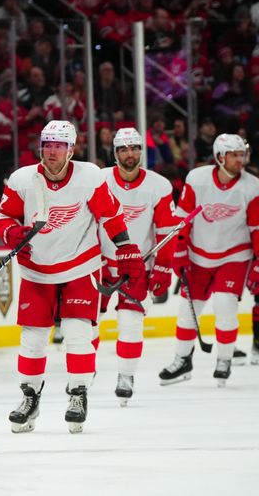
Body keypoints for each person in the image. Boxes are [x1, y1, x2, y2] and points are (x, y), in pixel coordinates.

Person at [0, 120, 145, 434]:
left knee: (78, 332)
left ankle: (78, 394)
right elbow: (5, 216)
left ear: (71, 149)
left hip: (80, 265)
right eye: (47, 144)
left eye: (58, 145)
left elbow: (110, 215)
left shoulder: (89, 175)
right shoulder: (22, 179)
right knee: (33, 339)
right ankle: (30, 398)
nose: (51, 151)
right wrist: (11, 233)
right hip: (36, 269)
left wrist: (127, 248)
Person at [159, 134, 259, 387]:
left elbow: (257, 229)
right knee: (186, 312)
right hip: (198, 254)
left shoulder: (252, 186)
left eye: (242, 154)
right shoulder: (197, 179)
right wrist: (179, 252)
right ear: (219, 157)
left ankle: (224, 359)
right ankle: (183, 359)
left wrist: (257, 264)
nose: (240, 159)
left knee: (225, 306)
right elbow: (183, 219)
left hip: (235, 254)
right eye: (234, 155)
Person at [98, 128, 178, 405]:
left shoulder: (159, 185)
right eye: (124, 149)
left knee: (130, 323)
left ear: (141, 151)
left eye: (134, 148)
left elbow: (167, 231)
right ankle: (83, 373)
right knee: (85, 323)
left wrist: (164, 268)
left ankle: (126, 375)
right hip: (100, 263)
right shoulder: (100, 180)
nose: (130, 154)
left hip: (138, 265)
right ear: (115, 153)